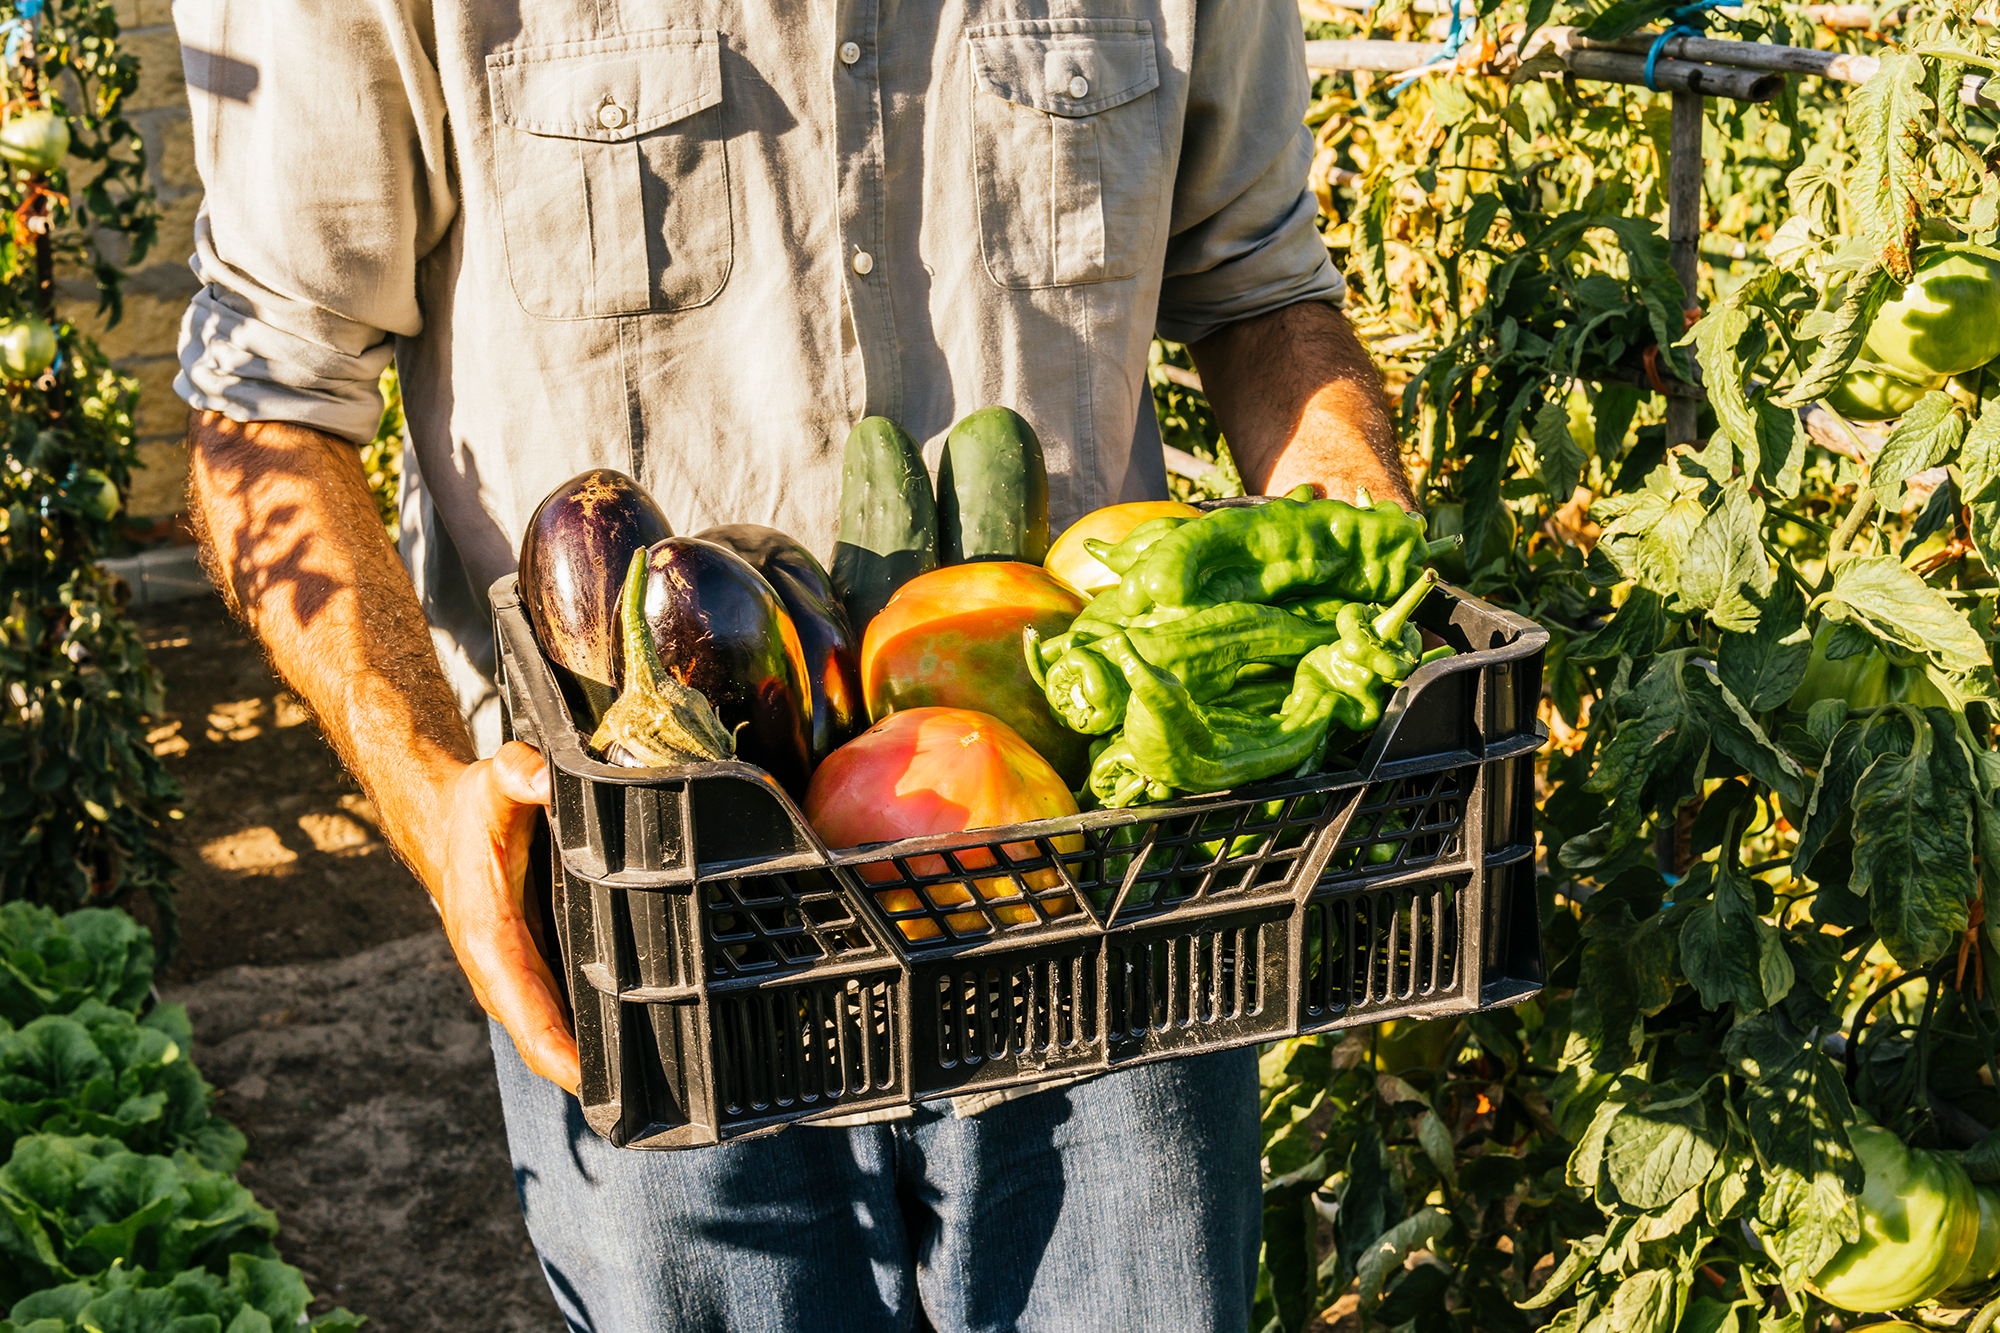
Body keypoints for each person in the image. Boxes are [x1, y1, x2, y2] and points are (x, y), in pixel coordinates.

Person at [171, 0, 1411, 1328]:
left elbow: (1263, 289)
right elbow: (265, 408)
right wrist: (430, 800)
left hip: (1093, 885)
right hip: (655, 918)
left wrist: (1349, 521)